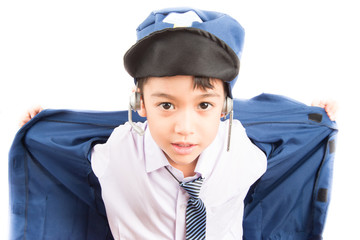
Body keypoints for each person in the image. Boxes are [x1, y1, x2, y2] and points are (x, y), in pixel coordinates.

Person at [18, 7, 338, 239]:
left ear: (226, 107)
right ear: (139, 103)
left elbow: (288, 138)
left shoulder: (245, 150)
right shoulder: (114, 153)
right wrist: (42, 127)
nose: (184, 127)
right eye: (167, 104)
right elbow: (60, 148)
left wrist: (311, 120)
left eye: (204, 105)